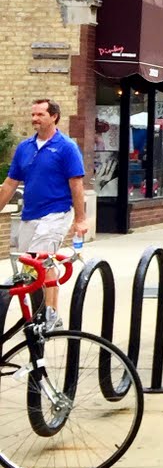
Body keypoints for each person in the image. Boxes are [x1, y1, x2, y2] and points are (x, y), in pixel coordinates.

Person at [0, 98, 88, 320]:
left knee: (43, 261)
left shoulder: (66, 147)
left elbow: (76, 185)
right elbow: (10, 184)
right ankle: (37, 314)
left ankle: (51, 314)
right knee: (28, 266)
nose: (35, 119)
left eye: (40, 114)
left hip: (56, 213)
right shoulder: (25, 148)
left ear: (54, 116)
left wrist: (80, 219)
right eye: (33, 114)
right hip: (30, 214)